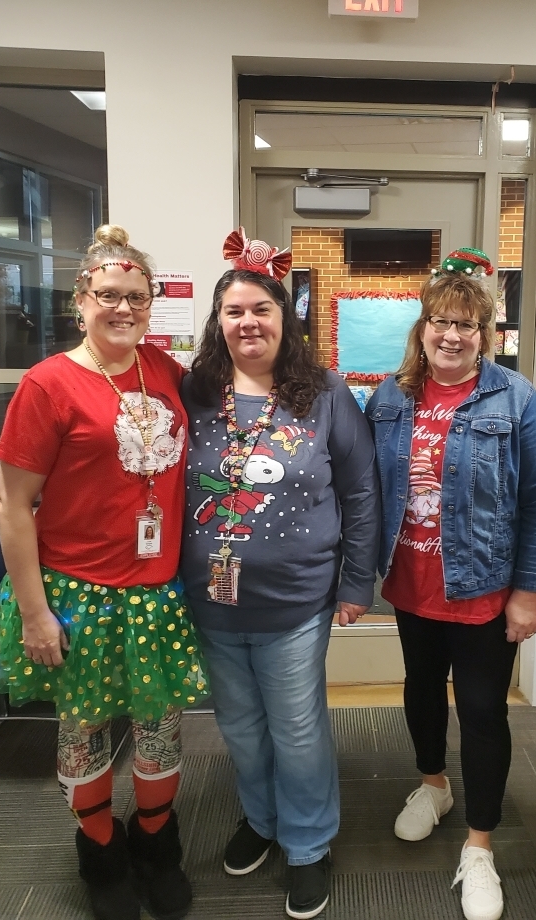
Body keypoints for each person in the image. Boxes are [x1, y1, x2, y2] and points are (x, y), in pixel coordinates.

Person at [0, 225, 209, 920]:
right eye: (108, 295)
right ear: (80, 301)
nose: (123, 308)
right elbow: (14, 506)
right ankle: (100, 851)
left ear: (151, 305)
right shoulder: (47, 384)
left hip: (155, 594)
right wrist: (34, 614)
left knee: (158, 728)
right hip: (76, 596)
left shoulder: (165, 370)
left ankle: (156, 845)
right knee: (83, 731)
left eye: (136, 297)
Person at [180, 229, 380, 920]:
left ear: (283, 318)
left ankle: (307, 843)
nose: (247, 323)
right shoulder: (195, 390)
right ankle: (261, 821)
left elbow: (360, 490)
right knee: (239, 726)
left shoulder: (322, 392)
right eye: (234, 312)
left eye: (260, 310)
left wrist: (358, 583)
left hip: (297, 601)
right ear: (219, 323)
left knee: (296, 728)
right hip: (210, 601)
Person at [366, 254, 536, 920]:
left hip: (481, 587)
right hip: (412, 583)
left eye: (467, 325)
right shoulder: (391, 397)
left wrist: (530, 590)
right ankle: (433, 785)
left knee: (482, 711)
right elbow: (366, 489)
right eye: (440, 322)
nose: (451, 335)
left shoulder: (515, 398)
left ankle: (479, 847)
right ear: (421, 328)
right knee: (420, 690)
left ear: (486, 334)